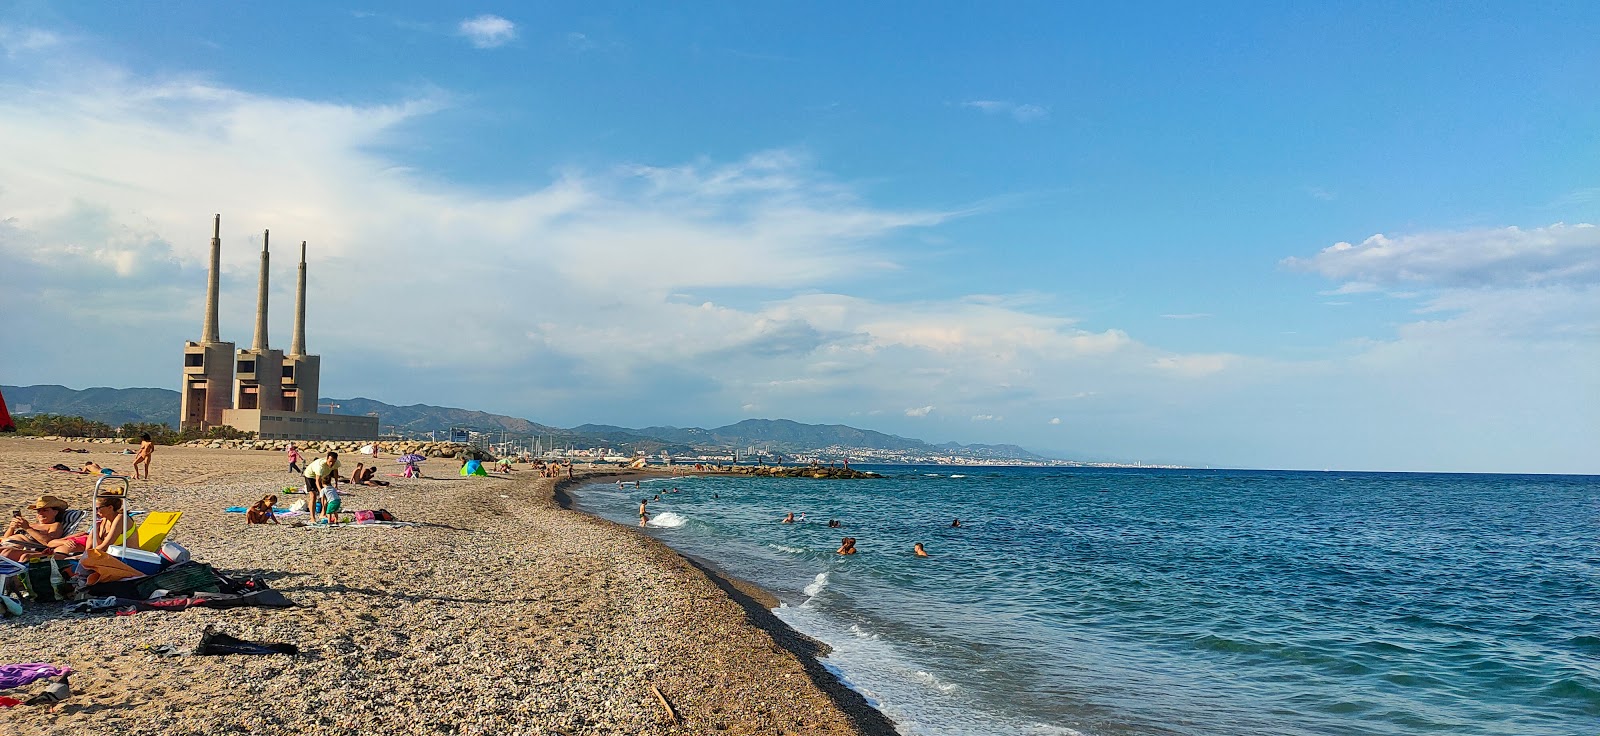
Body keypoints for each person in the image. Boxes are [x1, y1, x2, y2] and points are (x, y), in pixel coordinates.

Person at [1, 496, 70, 561]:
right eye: (38, 511)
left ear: (55, 512)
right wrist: (11, 528)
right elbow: (6, 538)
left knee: (6, 553)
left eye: (45, 510)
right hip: (5, 544)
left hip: (19, 548)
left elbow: (49, 542)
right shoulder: (32, 525)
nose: (41, 513)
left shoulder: (55, 525)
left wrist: (27, 528)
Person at [303, 451, 340, 522]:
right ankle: (312, 518)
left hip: (323, 475)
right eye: (330, 461)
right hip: (310, 475)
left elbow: (335, 472)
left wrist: (336, 483)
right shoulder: (320, 466)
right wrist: (321, 491)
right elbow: (317, 481)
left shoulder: (336, 463)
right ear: (327, 459)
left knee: (328, 495)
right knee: (313, 496)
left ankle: (323, 514)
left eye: (333, 462)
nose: (331, 463)